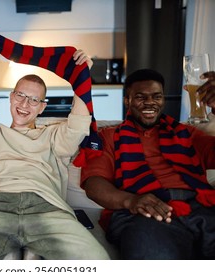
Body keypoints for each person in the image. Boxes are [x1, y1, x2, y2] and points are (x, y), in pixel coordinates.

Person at [0, 13, 110, 260]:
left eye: (33, 99)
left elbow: (79, 123)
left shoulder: (53, 137)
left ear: (42, 106)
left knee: (96, 263)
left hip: (47, 209)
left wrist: (82, 74)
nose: (25, 104)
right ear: (11, 97)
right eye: (20, 96)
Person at [81, 68, 215, 259]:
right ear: (127, 101)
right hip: (144, 215)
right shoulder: (108, 136)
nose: (150, 102)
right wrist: (132, 201)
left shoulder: (187, 133)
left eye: (157, 96)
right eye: (140, 97)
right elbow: (94, 185)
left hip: (202, 208)